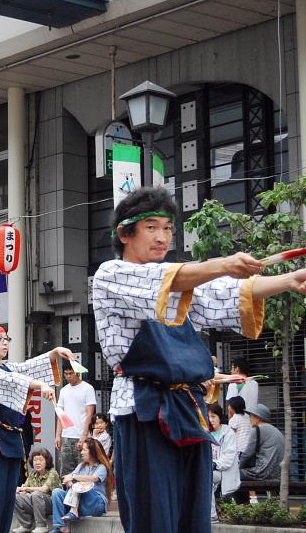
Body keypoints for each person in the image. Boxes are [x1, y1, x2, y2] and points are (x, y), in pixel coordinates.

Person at [92, 186, 306, 533]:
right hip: (142, 407)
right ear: (124, 233)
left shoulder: (180, 290)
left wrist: (289, 279)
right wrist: (222, 263)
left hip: (187, 408)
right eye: (151, 227)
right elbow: (172, 280)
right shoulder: (110, 275)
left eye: (168, 228)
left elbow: (223, 293)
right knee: (154, 515)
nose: (163, 237)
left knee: (193, 513)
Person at [0, 324, 74, 533]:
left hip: (10, 439)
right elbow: (12, 380)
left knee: (7, 502)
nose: (4, 342)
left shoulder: (8, 367)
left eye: (6, 338)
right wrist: (39, 386)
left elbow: (27, 368)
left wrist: (54, 353)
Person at [50, 438, 112, 533]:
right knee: (56, 492)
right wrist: (69, 482)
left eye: (84, 450)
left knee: (80, 485)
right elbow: (68, 477)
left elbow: (94, 479)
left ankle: (73, 511)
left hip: (96, 504)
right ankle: (62, 527)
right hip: (81, 504)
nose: (81, 452)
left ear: (93, 451)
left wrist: (74, 478)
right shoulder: (81, 466)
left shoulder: (101, 467)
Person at [55, 363, 96, 475]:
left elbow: (90, 414)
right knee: (66, 472)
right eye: (66, 374)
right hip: (66, 435)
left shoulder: (88, 388)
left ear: (77, 373)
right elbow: (60, 414)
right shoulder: (63, 390)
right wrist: (58, 435)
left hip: (82, 436)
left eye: (71, 373)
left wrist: (84, 435)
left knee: (84, 470)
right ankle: (67, 493)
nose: (68, 376)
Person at [13, 448, 61, 533]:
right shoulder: (32, 474)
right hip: (36, 503)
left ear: (47, 461)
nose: (37, 463)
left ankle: (41, 526)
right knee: (15, 496)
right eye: (35, 460)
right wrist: (21, 490)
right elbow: (24, 487)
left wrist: (26, 489)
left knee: (36, 494)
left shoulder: (52, 472)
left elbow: (44, 489)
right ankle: (25, 525)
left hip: (52, 505)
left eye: (41, 460)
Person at [209, 404, 239, 524]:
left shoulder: (228, 433)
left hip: (224, 471)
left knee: (206, 478)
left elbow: (228, 458)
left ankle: (212, 515)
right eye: (208, 417)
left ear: (220, 417)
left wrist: (214, 464)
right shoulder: (205, 432)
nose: (210, 420)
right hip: (208, 469)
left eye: (213, 416)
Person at [239, 403, 284, 481]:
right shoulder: (274, 429)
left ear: (258, 418)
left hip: (263, 472)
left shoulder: (258, 429)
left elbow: (247, 454)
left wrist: (237, 467)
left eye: (251, 416)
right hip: (277, 474)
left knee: (232, 475)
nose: (250, 419)